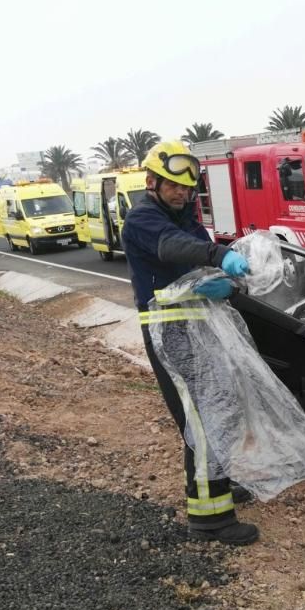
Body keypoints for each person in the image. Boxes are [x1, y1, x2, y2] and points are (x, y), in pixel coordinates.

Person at [122, 140, 260, 546]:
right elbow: (173, 248)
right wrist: (218, 255)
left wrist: (217, 277)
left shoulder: (184, 217)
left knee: (221, 406)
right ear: (152, 182)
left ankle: (215, 482)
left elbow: (193, 254)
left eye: (187, 187)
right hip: (169, 331)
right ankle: (210, 520)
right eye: (173, 186)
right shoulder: (144, 219)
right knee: (200, 420)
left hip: (195, 325)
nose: (182, 193)